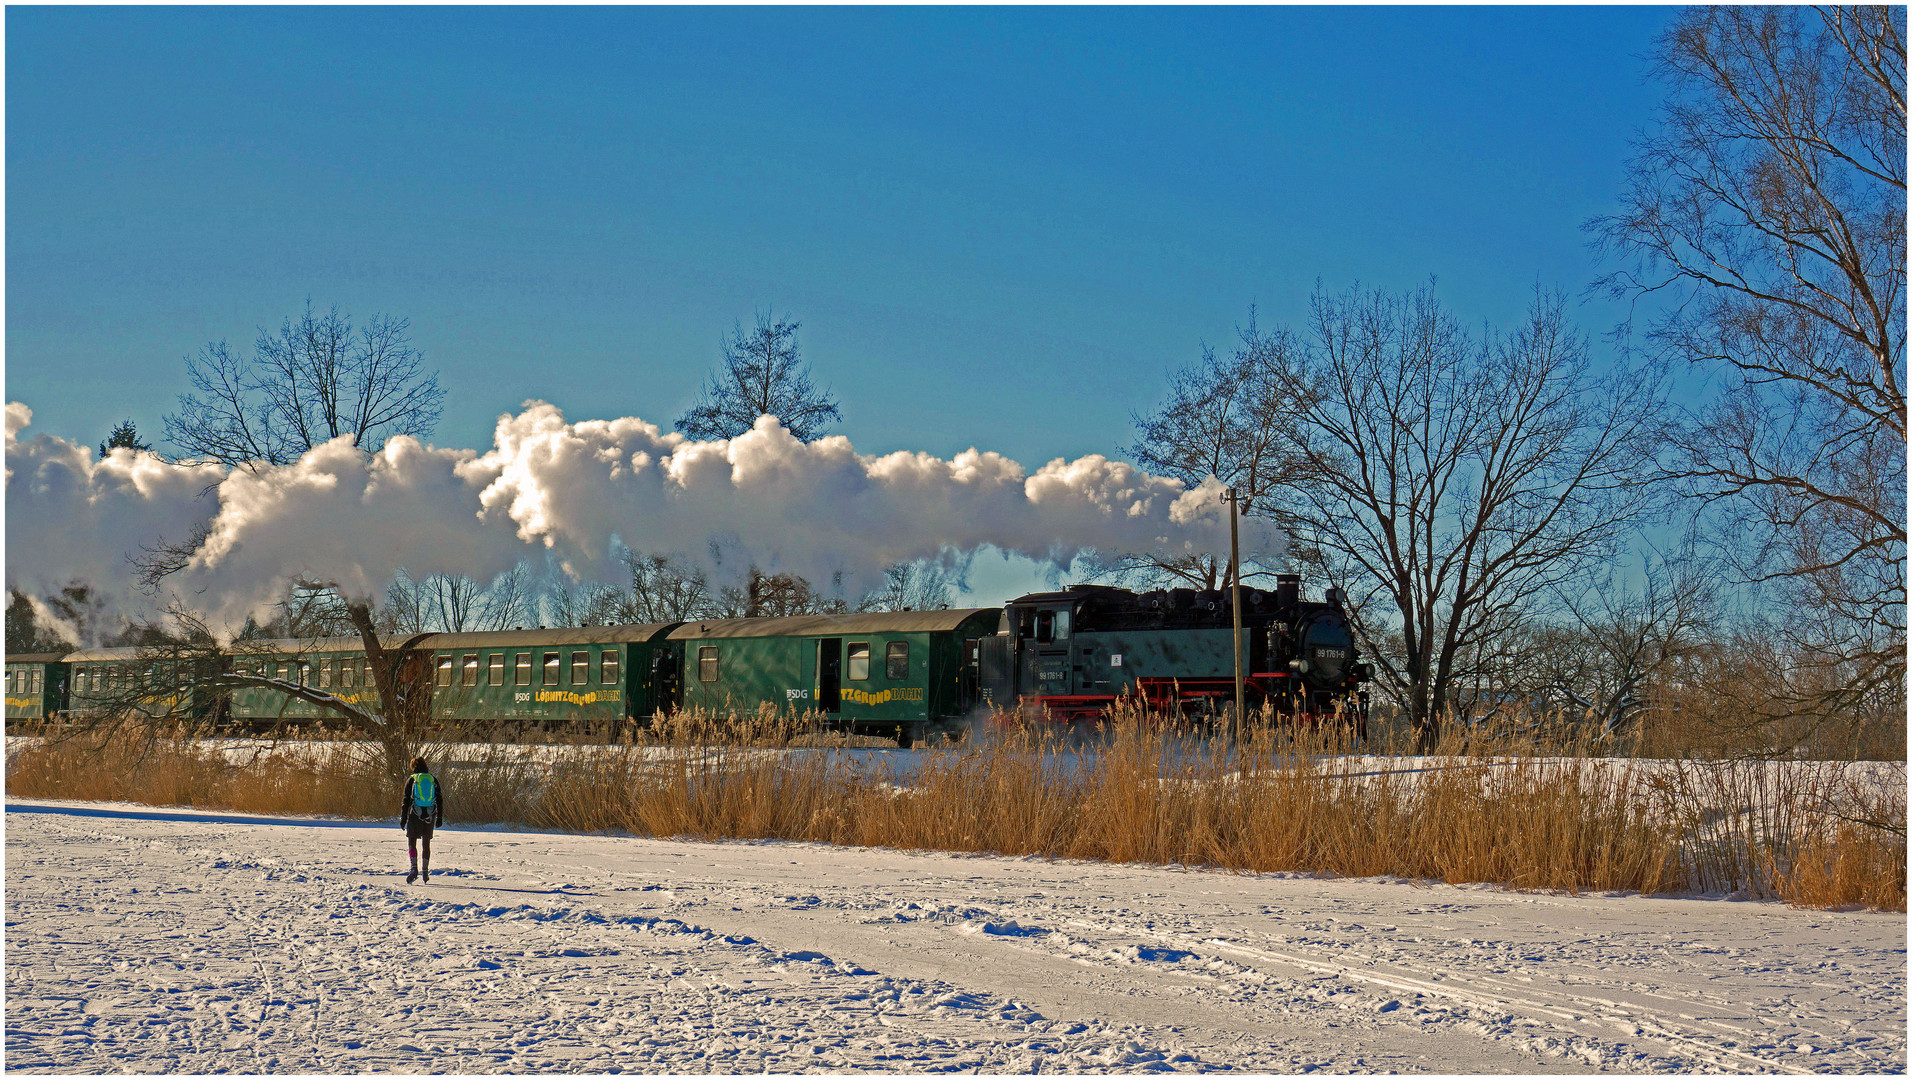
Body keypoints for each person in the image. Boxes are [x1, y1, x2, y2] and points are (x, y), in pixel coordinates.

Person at [400, 756, 445, 884]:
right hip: (430, 814)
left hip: (415, 814)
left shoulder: (412, 779)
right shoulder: (432, 779)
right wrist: (440, 817)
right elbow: (439, 799)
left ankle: (414, 869)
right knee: (426, 843)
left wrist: (403, 818)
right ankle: (425, 871)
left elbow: (406, 800)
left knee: (412, 842)